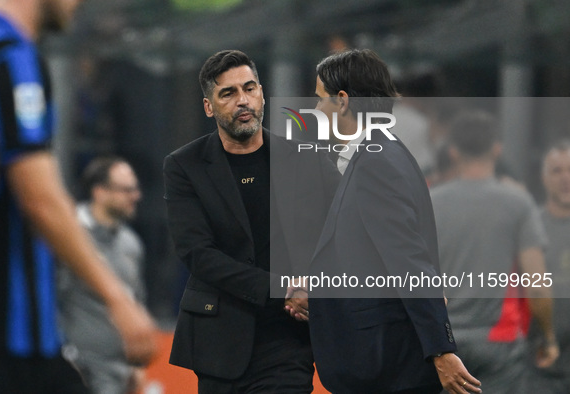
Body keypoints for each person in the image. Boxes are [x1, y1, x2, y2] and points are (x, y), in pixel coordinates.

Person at [0, 1, 158, 392]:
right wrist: (118, 298)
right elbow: (39, 197)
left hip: (26, 343)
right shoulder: (8, 55)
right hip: (4, 341)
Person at [163, 49, 339, 394]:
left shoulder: (307, 161)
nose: (242, 100)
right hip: (218, 342)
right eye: (228, 93)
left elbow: (345, 231)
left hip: (288, 341)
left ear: (262, 94)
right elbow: (198, 254)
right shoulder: (185, 166)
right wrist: (282, 288)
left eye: (249, 88)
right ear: (209, 107)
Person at [305, 49, 481, 394]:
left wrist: (441, 348)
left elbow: (409, 259)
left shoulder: (377, 162)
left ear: (342, 102)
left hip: (384, 366)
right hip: (381, 361)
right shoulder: (382, 152)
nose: (314, 110)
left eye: (319, 99)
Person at [430, 110, 558, 393]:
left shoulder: (430, 202)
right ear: (497, 150)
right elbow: (536, 285)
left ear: (453, 152)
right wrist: (547, 337)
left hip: (442, 342)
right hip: (499, 340)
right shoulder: (517, 203)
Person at [58, 157, 148, 394]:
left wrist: (136, 366)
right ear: (100, 192)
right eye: (127, 190)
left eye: (136, 188)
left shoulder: (131, 244)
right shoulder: (68, 236)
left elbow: (135, 301)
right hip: (77, 372)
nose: (135, 196)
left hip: (118, 375)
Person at [524, 140, 570, 393]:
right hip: (541, 370)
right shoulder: (530, 229)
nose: (566, 178)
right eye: (557, 170)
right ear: (544, 177)